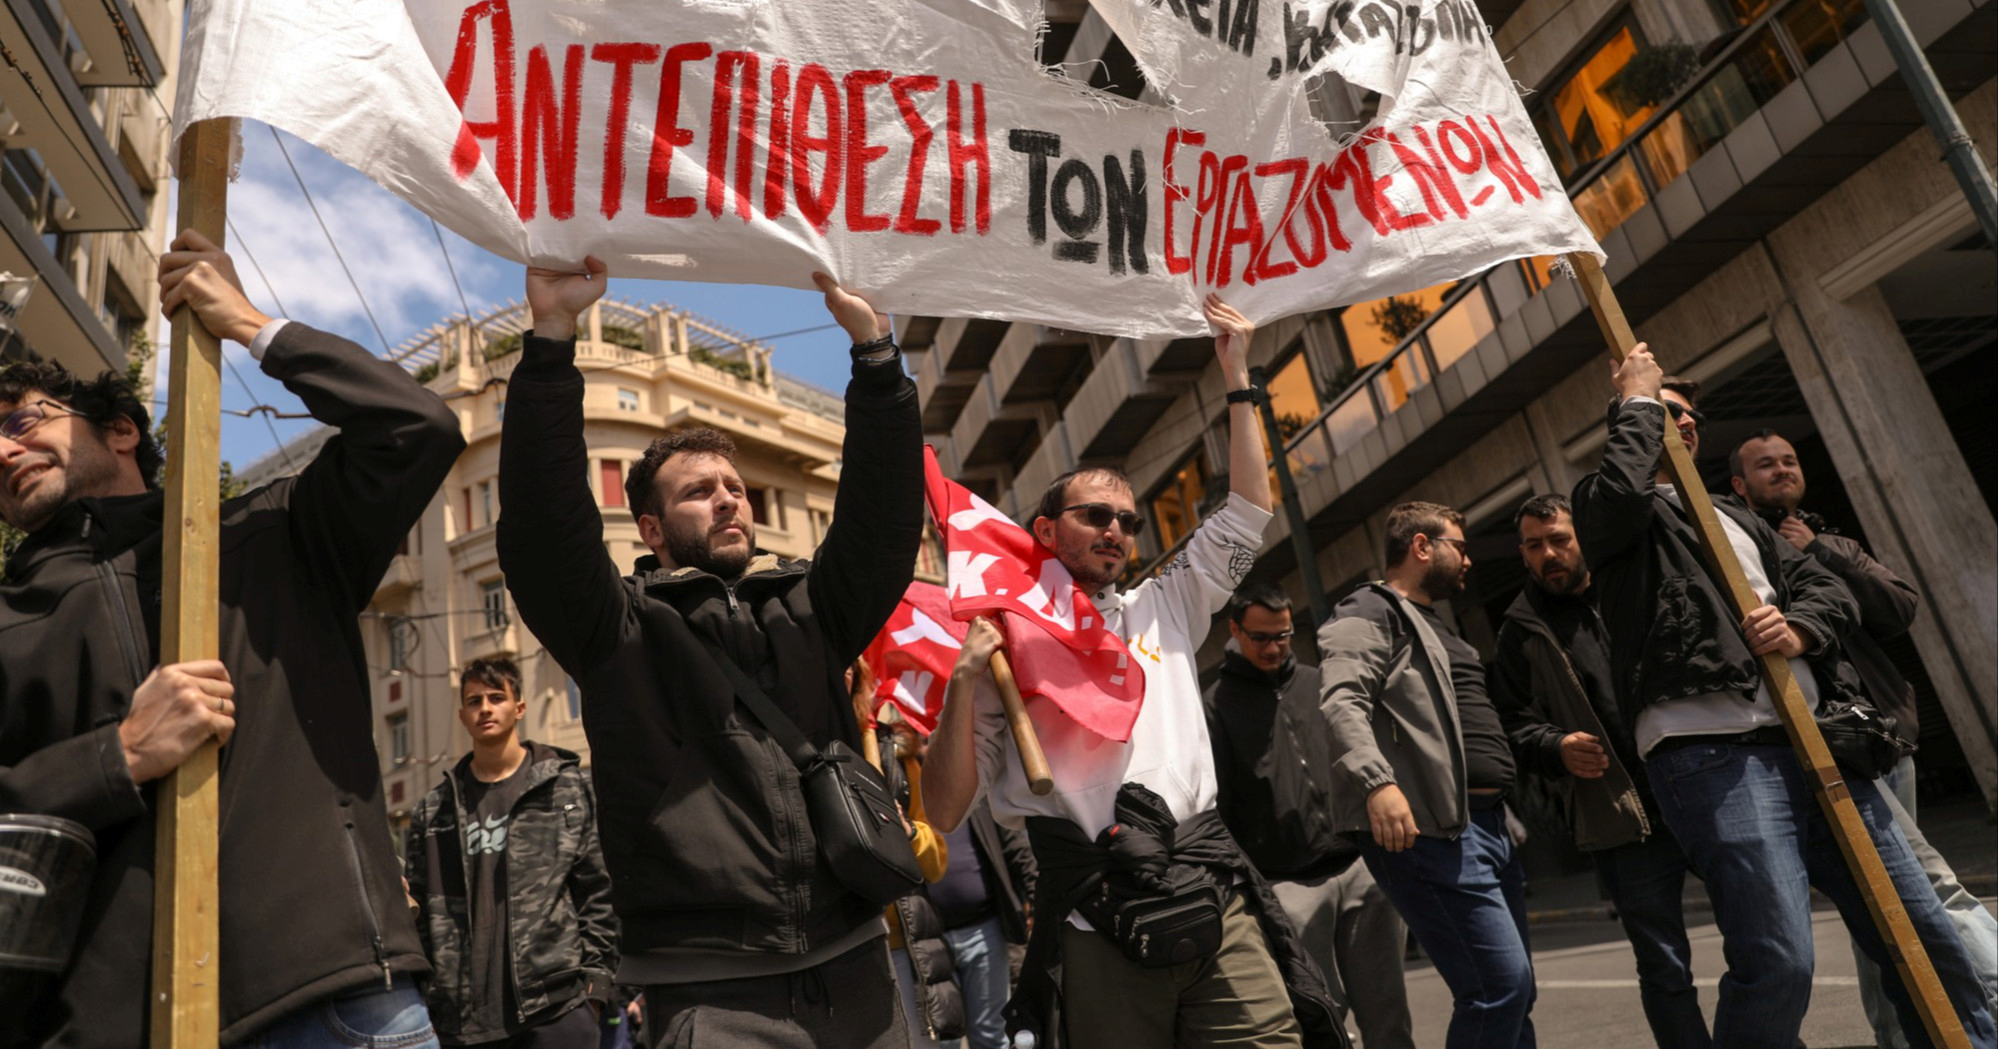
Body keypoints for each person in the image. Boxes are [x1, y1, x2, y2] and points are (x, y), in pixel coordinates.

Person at [0, 230, 463, 1047]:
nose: (4, 449)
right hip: (110, 1026)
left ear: (120, 430)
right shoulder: (9, 621)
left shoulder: (273, 534)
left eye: (22, 419)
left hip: (329, 1000)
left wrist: (249, 324)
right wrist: (118, 756)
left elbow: (415, 426)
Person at [493, 256, 922, 1049]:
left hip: (861, 975)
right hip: (711, 996)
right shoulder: (617, 629)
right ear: (650, 530)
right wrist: (550, 342)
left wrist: (876, 356)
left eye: (735, 486)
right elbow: (543, 528)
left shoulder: (811, 606)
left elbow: (884, 519)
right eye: (699, 490)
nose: (728, 497)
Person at [925, 297, 1338, 1049]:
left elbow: (1249, 511)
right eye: (1095, 516)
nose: (1116, 529)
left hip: (1213, 894)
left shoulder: (1165, 604)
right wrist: (962, 681)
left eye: (1128, 520)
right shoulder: (1003, 654)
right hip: (1094, 919)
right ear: (1045, 531)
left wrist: (1236, 375)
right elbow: (946, 809)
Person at [1572, 345, 1996, 1049]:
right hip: (1713, 757)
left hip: (1819, 746)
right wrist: (1638, 399)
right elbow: (1619, 494)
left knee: (1922, 932)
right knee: (1779, 959)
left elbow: (1826, 589)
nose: (1683, 423)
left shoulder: (1739, 518)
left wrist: (1799, 627)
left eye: (1689, 416)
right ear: (1630, 422)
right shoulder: (1610, 509)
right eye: (1665, 412)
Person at [1728, 429, 1998, 1043]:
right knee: (1911, 889)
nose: (1782, 470)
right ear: (1739, 484)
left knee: (1891, 896)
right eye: (1766, 465)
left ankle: (1897, 1034)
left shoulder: (1832, 541)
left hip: (1878, 736)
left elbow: (1899, 607)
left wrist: (1823, 551)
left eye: (1789, 461)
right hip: (1818, 742)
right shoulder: (1738, 547)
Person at [1489, 494, 1709, 1048]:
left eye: (1559, 539)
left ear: (1583, 537)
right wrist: (1555, 745)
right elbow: (1510, 724)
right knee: (1664, 967)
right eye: (1534, 546)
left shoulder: (1632, 585)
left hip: (1701, 790)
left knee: (1761, 937)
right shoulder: (1520, 630)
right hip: (1621, 818)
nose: (1548, 554)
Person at [1318, 502, 1535, 1049]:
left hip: (1486, 826)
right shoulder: (1369, 608)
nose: (1468, 560)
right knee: (1497, 987)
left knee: (1516, 993)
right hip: (1432, 832)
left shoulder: (1434, 623)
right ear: (1421, 546)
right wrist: (1377, 782)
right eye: (1458, 547)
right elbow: (1342, 701)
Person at [1206, 583, 1414, 1049]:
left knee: (1388, 1010)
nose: (1273, 648)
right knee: (1321, 1014)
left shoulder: (1319, 683)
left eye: (1282, 635)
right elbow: (1216, 805)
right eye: (1260, 638)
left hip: (1360, 865)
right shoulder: (1214, 706)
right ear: (1235, 631)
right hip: (1285, 884)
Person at [405, 657, 617, 1047]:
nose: (485, 708)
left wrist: (595, 991)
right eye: (474, 701)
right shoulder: (433, 810)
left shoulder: (566, 788)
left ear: (519, 707)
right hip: (461, 1022)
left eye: (496, 697)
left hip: (556, 1009)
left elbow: (598, 893)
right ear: (462, 716)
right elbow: (417, 913)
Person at [876, 718, 965, 1048]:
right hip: (841, 947)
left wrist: (909, 832)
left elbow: (936, 862)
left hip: (903, 945)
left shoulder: (896, 757)